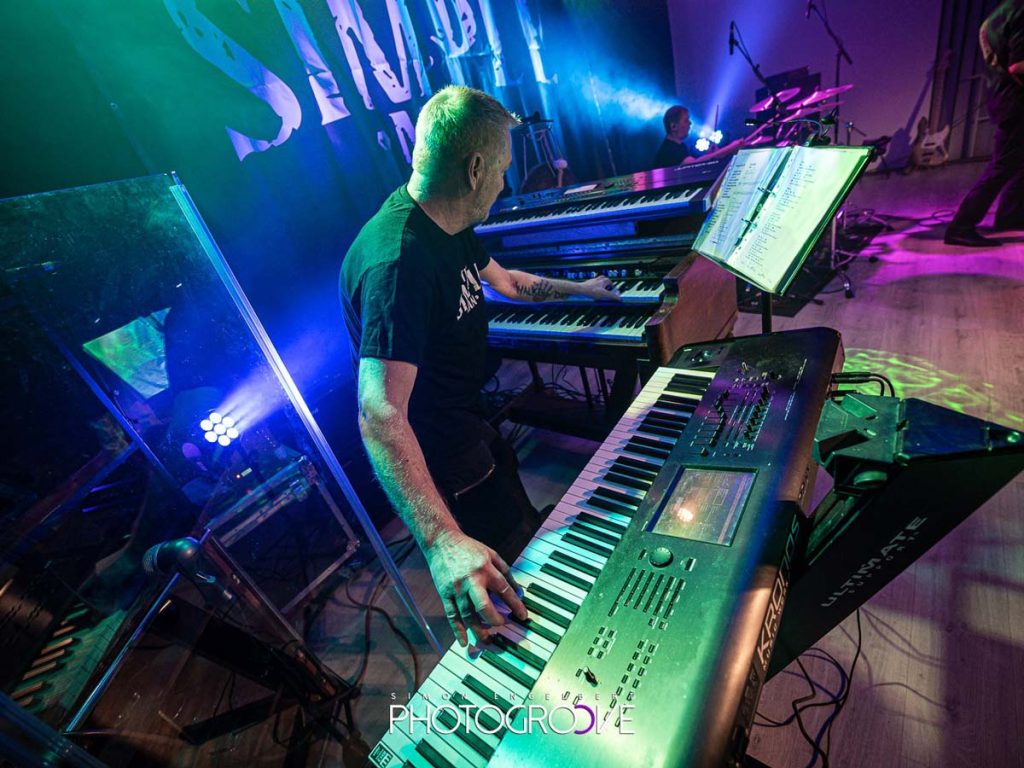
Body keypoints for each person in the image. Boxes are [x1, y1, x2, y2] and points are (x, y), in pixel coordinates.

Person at [340, 86, 620, 647]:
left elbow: (509, 282)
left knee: (517, 517)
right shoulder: (398, 264)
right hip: (440, 450)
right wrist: (442, 541)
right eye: (501, 171)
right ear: (473, 168)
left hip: (468, 420)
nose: (504, 183)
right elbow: (378, 410)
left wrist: (583, 288)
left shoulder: (447, 223)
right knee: (507, 569)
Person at [945, 0, 1024, 247]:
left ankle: (1010, 218)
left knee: (1017, 164)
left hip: (1002, 96)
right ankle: (961, 227)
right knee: (1002, 167)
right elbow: (1019, 67)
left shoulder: (1002, 12)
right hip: (1017, 100)